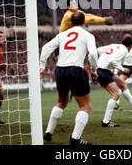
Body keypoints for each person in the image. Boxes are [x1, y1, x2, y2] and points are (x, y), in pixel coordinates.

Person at [40, 11, 98, 145]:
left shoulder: (62, 34)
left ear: (71, 23)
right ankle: (75, 138)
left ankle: (48, 132)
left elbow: (46, 47)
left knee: (61, 102)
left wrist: (41, 66)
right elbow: (93, 55)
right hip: (75, 69)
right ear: (84, 22)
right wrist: (94, 70)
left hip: (60, 70)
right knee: (85, 107)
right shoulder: (88, 35)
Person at [97, 34, 132, 127]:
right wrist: (122, 69)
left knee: (122, 84)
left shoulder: (115, 45)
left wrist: (104, 59)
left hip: (103, 69)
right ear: (130, 46)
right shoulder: (125, 50)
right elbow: (113, 61)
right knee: (116, 94)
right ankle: (106, 121)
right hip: (103, 71)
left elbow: (99, 50)